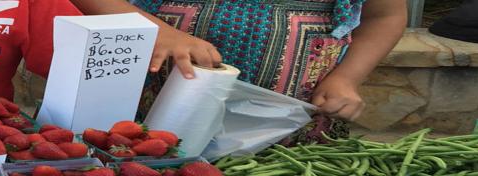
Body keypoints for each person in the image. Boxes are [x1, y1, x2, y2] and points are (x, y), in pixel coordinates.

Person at [125, 0, 408, 121]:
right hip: (157, 101)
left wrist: (347, 78)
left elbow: (385, 16)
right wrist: (155, 28)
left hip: (293, 122)